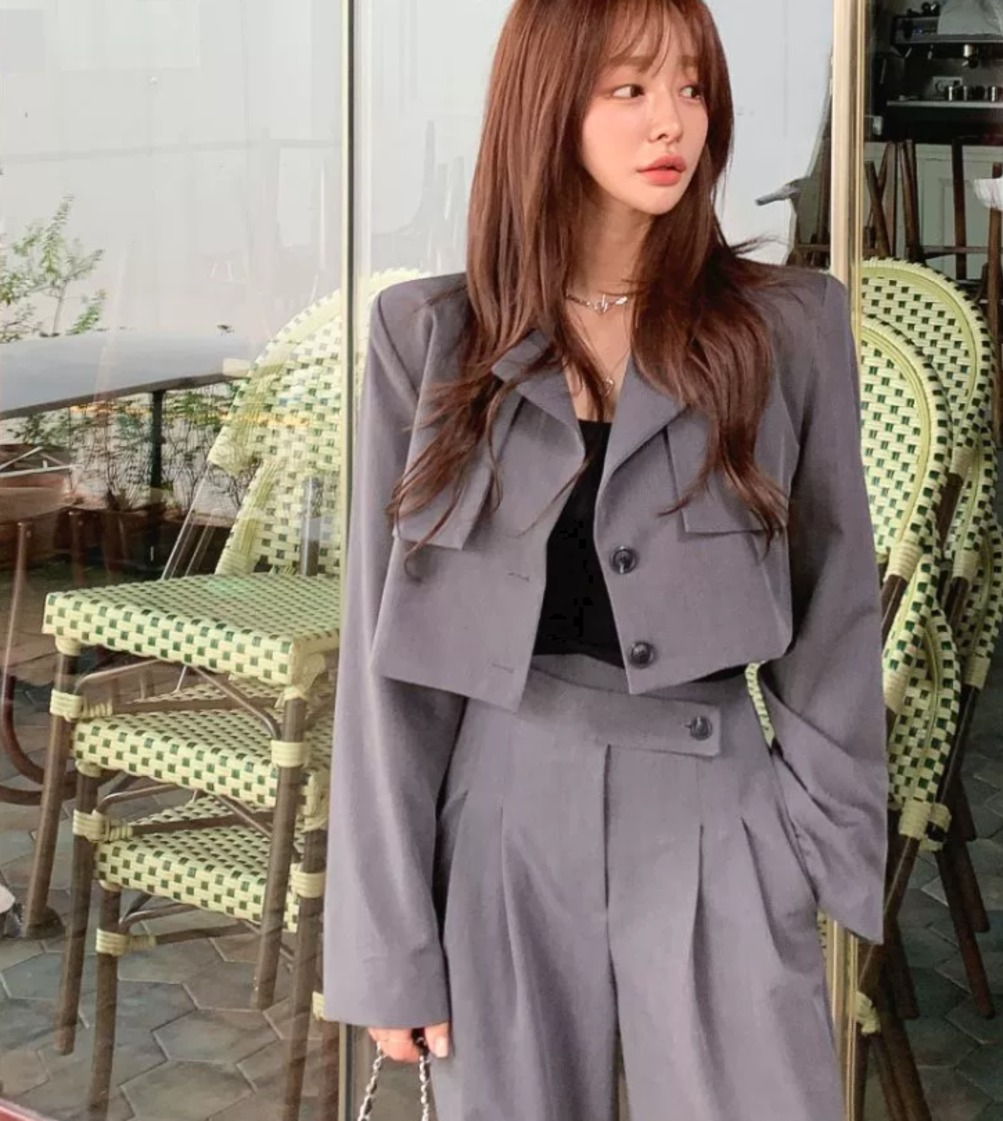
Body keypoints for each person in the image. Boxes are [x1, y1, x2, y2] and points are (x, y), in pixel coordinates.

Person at [322, 1, 887, 1117]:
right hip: (500, 812)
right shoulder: (430, 340)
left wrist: (813, 843)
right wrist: (390, 941)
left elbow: (835, 608)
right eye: (628, 89)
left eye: (690, 86)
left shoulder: (786, 327)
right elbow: (385, 669)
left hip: (717, 803)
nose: (670, 120)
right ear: (546, 108)